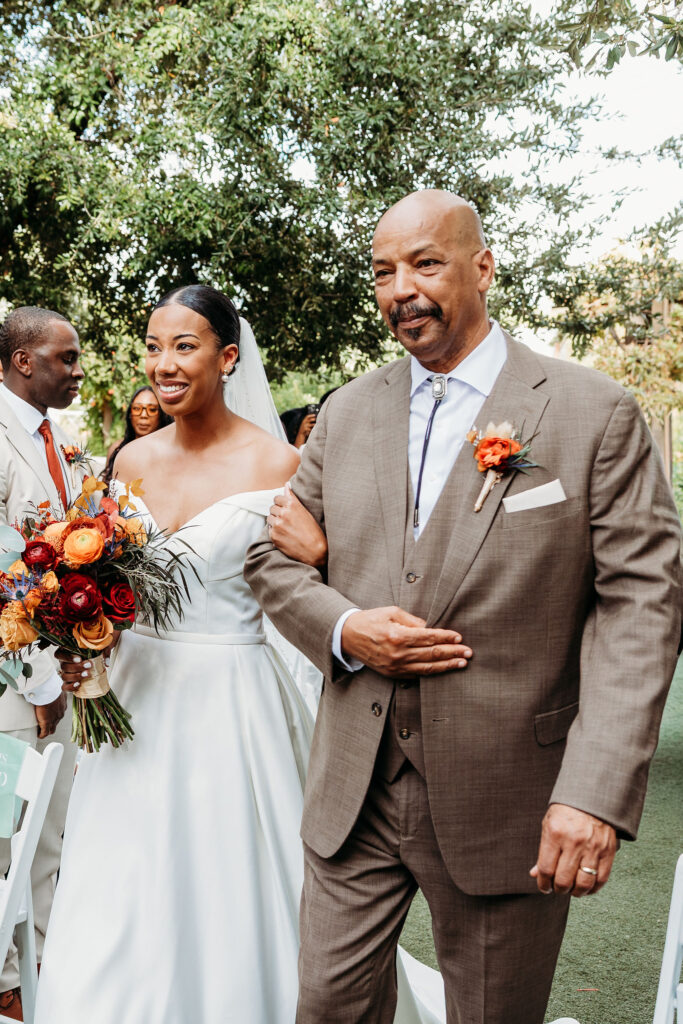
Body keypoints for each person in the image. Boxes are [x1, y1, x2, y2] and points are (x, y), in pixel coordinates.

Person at [244, 190, 683, 1024]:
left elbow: (642, 606)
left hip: (508, 790)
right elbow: (270, 557)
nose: (399, 288)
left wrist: (591, 792)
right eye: (381, 271)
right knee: (327, 1006)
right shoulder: (344, 410)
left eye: (424, 263)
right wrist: (345, 627)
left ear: (482, 267)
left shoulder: (593, 413)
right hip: (355, 788)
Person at [33, 285, 445, 1024]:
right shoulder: (126, 462)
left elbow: (327, 587)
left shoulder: (280, 465)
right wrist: (81, 635)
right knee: (117, 888)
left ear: (227, 359)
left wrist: (323, 555)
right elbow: (107, 583)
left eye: (184, 346)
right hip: (129, 701)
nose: (164, 363)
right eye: (154, 346)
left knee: (228, 882)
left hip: (231, 702)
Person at [0, 306, 86, 1020]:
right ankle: (6, 981)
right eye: (67, 357)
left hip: (60, 672)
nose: (78, 370)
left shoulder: (61, 440)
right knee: (7, 833)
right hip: (13, 681)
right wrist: (37, 677)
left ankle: (41, 973)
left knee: (50, 830)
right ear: (24, 361)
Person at [102, 385, 172, 485]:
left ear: (161, 414)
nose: (143, 415)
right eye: (137, 408)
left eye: (152, 409)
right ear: (130, 413)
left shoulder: (169, 453)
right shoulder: (116, 449)